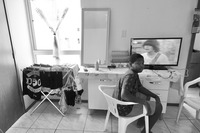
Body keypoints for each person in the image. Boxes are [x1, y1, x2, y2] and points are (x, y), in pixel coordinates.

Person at [112, 53, 163, 133]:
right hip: (124, 109)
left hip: (117, 105)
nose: (142, 66)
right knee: (159, 107)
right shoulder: (131, 76)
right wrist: (144, 103)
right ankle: (145, 131)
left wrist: (155, 96)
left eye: (142, 63)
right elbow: (124, 95)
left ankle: (141, 122)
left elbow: (139, 87)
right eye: (138, 63)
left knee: (146, 96)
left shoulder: (133, 73)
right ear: (130, 64)